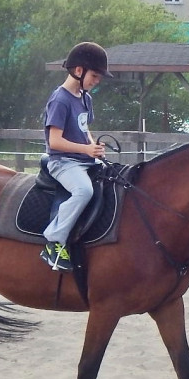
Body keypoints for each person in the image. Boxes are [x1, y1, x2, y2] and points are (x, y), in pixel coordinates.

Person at [40, 42, 110, 272]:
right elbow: (55, 142)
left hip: (82, 158)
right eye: (94, 75)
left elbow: (84, 129)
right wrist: (85, 150)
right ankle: (54, 241)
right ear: (78, 71)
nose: (97, 81)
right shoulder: (60, 100)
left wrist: (93, 146)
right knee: (84, 191)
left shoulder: (85, 97)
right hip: (62, 162)